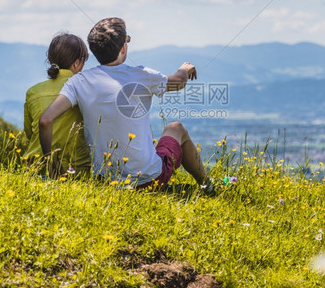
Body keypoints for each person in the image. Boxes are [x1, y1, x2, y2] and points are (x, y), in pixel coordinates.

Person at [39, 17, 213, 192]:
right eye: (127, 40)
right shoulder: (142, 75)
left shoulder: (78, 81)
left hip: (105, 182)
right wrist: (185, 68)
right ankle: (207, 185)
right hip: (148, 179)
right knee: (176, 128)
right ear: (123, 47)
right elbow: (179, 81)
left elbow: (45, 120)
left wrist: (50, 161)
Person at [23, 33, 90, 178]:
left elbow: (30, 133)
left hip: (35, 168)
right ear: (77, 63)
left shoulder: (33, 92)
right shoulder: (86, 89)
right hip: (75, 170)